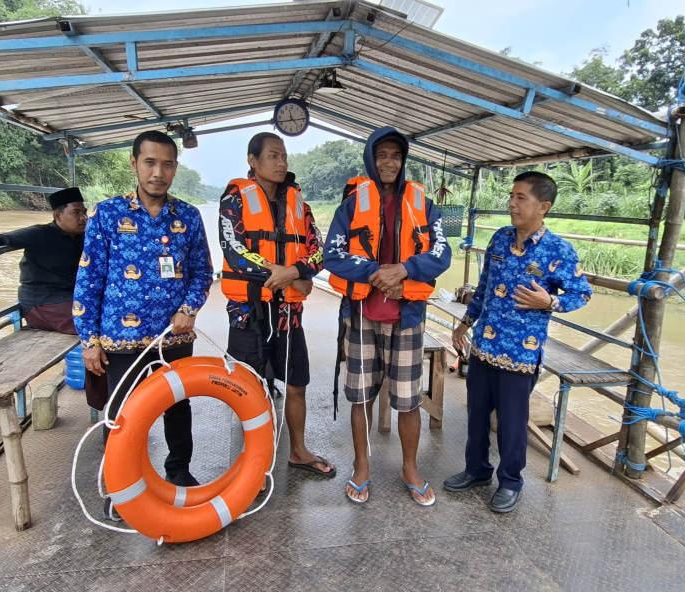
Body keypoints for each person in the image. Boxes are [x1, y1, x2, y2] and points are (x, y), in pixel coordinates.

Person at [73, 130, 213, 489]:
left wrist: (189, 308)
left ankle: (178, 472)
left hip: (174, 338)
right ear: (134, 163)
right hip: (121, 339)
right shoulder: (107, 214)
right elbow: (89, 278)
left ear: (175, 168)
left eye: (167, 165)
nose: (158, 173)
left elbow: (202, 272)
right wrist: (89, 340)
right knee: (123, 415)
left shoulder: (188, 216)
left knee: (177, 408)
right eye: (150, 163)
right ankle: (120, 487)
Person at [446, 171, 592, 513]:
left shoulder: (558, 250)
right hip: (483, 347)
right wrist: (464, 324)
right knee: (476, 416)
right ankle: (476, 470)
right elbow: (484, 287)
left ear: (544, 206)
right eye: (511, 196)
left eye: (521, 198)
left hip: (520, 355)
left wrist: (550, 301)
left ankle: (510, 481)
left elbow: (582, 293)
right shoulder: (499, 239)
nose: (512, 203)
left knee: (512, 425)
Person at [325, 127, 451, 506]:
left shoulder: (424, 204)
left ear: (403, 160)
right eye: (382, 155)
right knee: (361, 397)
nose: (389, 162)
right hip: (363, 315)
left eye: (396, 155)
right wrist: (378, 274)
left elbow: (442, 254)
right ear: (370, 159)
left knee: (409, 400)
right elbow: (332, 254)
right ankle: (361, 467)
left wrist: (406, 271)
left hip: (407, 317)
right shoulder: (351, 204)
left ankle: (410, 468)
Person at [218, 132, 335, 479]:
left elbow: (319, 251)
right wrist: (286, 276)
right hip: (248, 314)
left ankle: (298, 452)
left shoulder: (300, 205)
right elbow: (234, 250)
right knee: (248, 391)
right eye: (273, 155)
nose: (281, 162)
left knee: (297, 384)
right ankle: (252, 464)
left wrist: (296, 272)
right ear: (252, 161)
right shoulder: (234, 200)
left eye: (284, 156)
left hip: (288, 315)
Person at [0, 186, 87, 333]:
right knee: (90, 324)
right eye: (76, 212)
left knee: (109, 312)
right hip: (42, 302)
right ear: (58, 215)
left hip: (71, 297)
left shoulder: (84, 237)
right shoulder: (40, 234)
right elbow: (5, 238)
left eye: (84, 212)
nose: (83, 218)